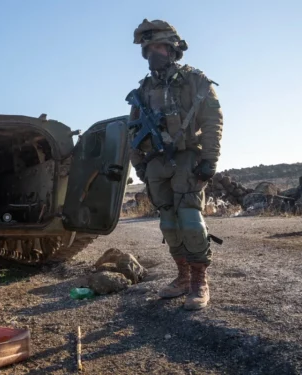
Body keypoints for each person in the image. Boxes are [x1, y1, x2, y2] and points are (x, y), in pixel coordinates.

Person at [128, 20, 223, 310]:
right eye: (148, 49)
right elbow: (132, 131)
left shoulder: (195, 81)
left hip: (187, 160)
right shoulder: (142, 90)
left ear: (172, 49)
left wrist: (209, 160)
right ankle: (182, 277)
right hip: (156, 165)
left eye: (158, 46)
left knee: (191, 222)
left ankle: (198, 281)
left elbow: (212, 122)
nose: (152, 53)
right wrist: (139, 166)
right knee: (169, 224)